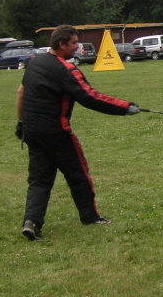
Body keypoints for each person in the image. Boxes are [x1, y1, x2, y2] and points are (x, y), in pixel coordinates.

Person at [16, 25, 141, 240]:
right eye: (73, 43)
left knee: (39, 180)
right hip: (56, 132)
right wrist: (125, 107)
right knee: (78, 175)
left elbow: (21, 92)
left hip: (32, 131)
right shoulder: (66, 70)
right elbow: (91, 97)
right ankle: (90, 217)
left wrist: (20, 124)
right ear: (61, 44)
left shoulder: (35, 62)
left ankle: (32, 222)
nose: (77, 46)